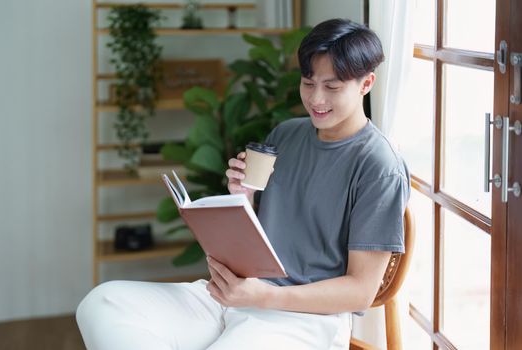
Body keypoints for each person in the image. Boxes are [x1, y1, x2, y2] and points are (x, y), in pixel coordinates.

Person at [76, 18, 410, 350]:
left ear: (366, 84)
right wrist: (243, 198)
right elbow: (263, 237)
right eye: (308, 83)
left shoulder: (379, 167)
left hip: (304, 317)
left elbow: (360, 290)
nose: (316, 99)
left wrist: (266, 296)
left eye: (332, 87)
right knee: (102, 303)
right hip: (238, 295)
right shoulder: (286, 135)